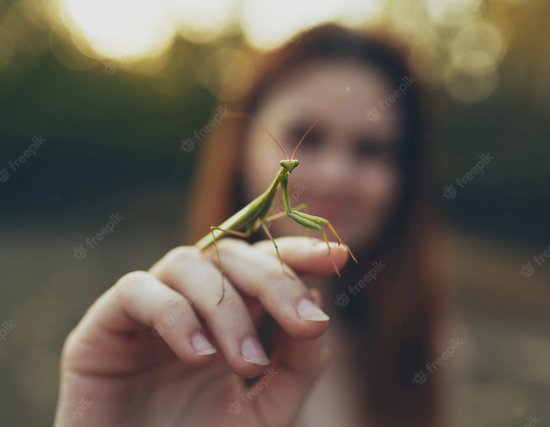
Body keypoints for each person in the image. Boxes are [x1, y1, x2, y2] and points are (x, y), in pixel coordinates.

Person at [54, 24, 458, 427]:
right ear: (242, 145)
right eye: (306, 138)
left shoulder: (428, 351)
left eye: (371, 149)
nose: (336, 175)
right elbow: (267, 222)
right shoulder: (171, 356)